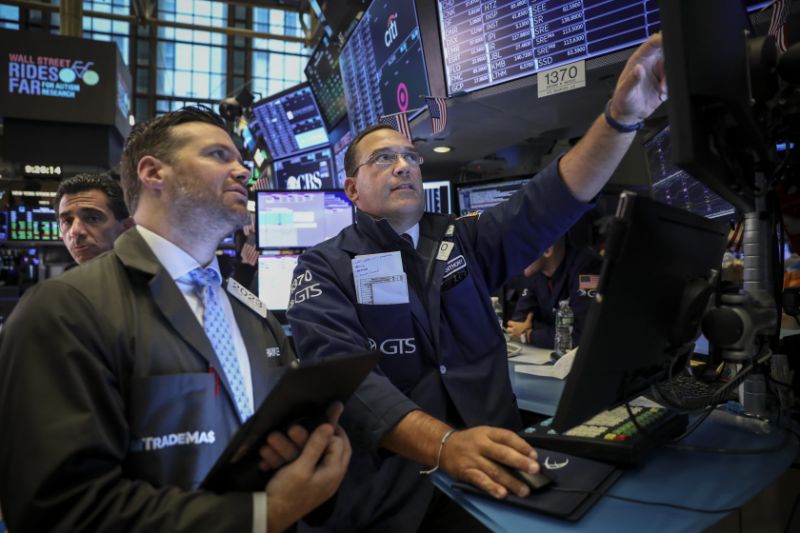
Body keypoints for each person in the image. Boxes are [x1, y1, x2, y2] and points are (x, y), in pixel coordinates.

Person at [286, 33, 668, 532]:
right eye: (382, 158)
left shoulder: (463, 240)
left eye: (410, 156)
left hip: (497, 478)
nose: (404, 165)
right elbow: (350, 381)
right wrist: (445, 444)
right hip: (395, 496)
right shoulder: (322, 267)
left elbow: (549, 202)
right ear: (353, 189)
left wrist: (621, 117)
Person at [0, 107, 350, 533]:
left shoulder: (250, 312)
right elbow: (58, 508)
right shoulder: (63, 311)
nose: (242, 171)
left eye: (239, 159)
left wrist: (310, 459)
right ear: (153, 173)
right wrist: (262, 516)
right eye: (219, 155)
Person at [506, 237, 603, 348]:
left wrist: (529, 335)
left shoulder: (588, 267)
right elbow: (518, 322)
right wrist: (550, 332)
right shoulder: (537, 270)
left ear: (547, 250)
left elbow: (583, 335)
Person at [55, 173, 135, 264]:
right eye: (67, 221)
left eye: (92, 218)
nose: (75, 231)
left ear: (127, 227)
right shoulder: (65, 278)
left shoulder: (150, 275)